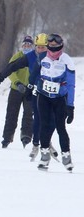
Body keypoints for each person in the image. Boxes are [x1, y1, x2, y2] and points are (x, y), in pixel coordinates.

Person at [0, 34, 58, 160]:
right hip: (24, 89)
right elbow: (11, 67)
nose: (40, 50)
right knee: (14, 114)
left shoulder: (53, 58)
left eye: (43, 48)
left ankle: (41, 142)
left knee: (41, 117)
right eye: (38, 47)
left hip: (43, 90)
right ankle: (8, 138)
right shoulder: (29, 57)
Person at [28, 33, 75, 172]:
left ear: (61, 46)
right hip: (44, 96)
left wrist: (70, 106)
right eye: (51, 46)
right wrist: (29, 88)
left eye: (56, 46)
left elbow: (71, 85)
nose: (53, 49)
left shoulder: (66, 60)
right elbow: (34, 73)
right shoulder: (42, 58)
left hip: (60, 98)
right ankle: (44, 156)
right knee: (44, 125)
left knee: (61, 127)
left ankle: (66, 155)